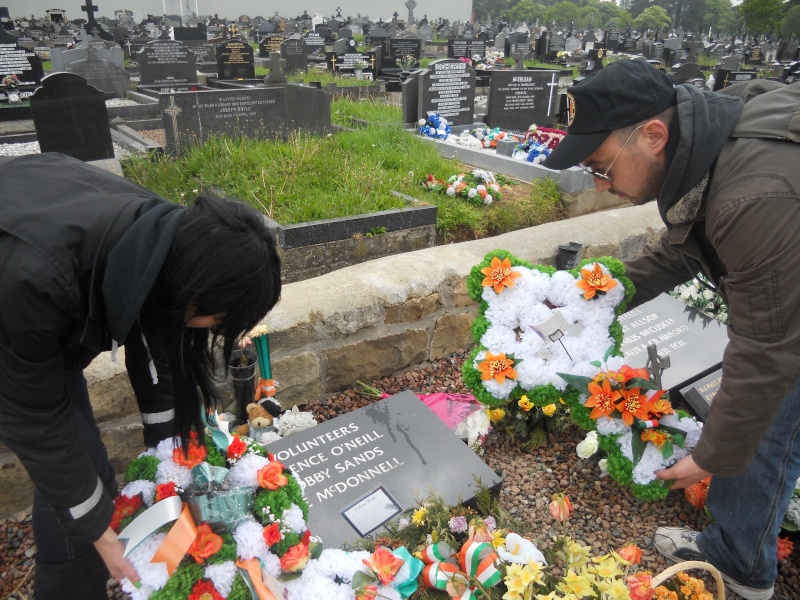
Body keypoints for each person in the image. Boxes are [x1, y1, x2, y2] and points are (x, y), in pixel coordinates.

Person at [542, 59, 800, 600]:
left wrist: (709, 457)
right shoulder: (708, 141)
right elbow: (682, 246)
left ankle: (739, 564)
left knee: (770, 422)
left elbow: (767, 348)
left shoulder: (750, 197)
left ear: (654, 136)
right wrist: (590, 300)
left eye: (601, 167)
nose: (599, 185)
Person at [0, 153, 282, 599]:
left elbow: (158, 339)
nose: (216, 331)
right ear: (197, 297)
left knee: (82, 467)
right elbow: (37, 420)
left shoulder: (164, 240)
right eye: (221, 320)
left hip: (33, 275)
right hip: (14, 303)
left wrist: (171, 454)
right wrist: (98, 531)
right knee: (81, 477)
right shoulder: (33, 281)